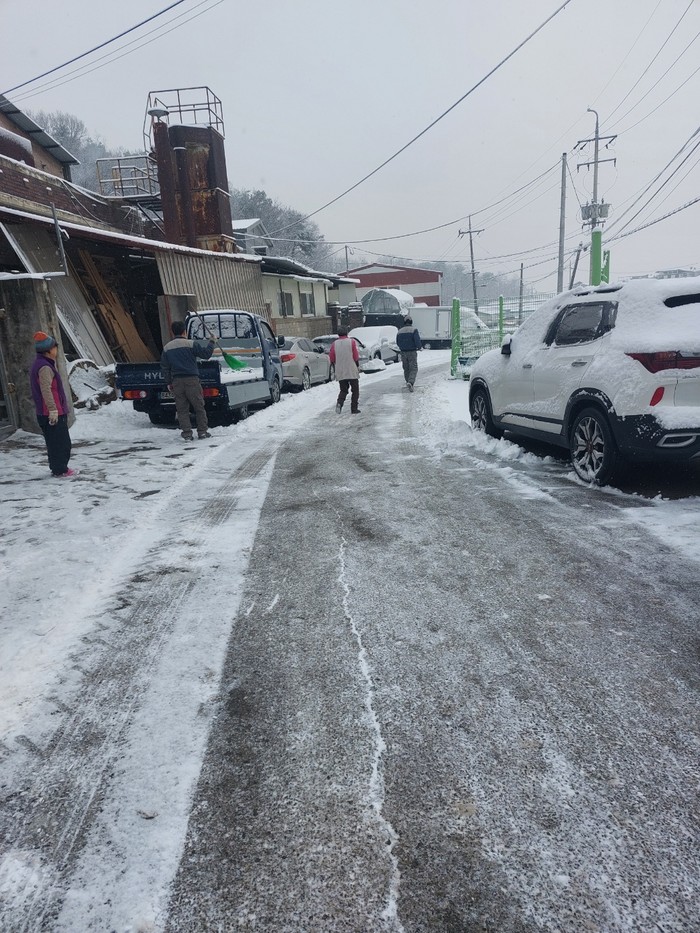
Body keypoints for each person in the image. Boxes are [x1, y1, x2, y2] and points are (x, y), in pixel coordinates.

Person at [30, 331, 76, 478]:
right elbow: (46, 390)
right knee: (61, 443)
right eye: (55, 347)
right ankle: (60, 470)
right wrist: (53, 410)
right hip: (52, 413)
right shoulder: (45, 367)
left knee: (54, 443)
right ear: (48, 350)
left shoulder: (42, 364)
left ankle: (57, 468)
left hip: (48, 412)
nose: (56, 350)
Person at [161, 320, 215, 440]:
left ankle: (187, 434)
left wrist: (169, 382)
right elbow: (206, 355)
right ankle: (202, 432)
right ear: (184, 331)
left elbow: (165, 367)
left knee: (182, 409)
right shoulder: (191, 344)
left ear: (172, 332)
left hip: (177, 382)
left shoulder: (167, 348)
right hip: (192, 380)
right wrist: (212, 342)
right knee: (199, 407)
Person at [329, 326, 361, 414]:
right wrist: (357, 364)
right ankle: (354, 408)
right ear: (346, 333)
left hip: (340, 370)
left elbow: (332, 358)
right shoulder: (351, 342)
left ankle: (339, 403)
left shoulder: (334, 344)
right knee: (355, 390)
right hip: (351, 368)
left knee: (343, 390)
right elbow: (355, 356)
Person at [396, 316, 422, 392]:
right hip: (412, 352)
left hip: (403, 352)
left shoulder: (400, 331)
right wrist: (419, 347)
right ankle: (410, 382)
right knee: (413, 368)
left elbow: (397, 342)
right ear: (411, 322)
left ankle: (407, 381)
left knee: (406, 368)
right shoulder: (414, 330)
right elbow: (417, 340)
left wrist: (402, 347)